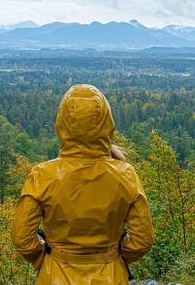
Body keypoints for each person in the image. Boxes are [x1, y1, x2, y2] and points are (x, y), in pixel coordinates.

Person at [11, 84, 154, 284]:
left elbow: (23, 240)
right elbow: (142, 240)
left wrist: (48, 258)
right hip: (112, 276)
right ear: (107, 122)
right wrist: (114, 258)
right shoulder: (126, 175)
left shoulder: (42, 175)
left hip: (54, 276)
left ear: (62, 123)